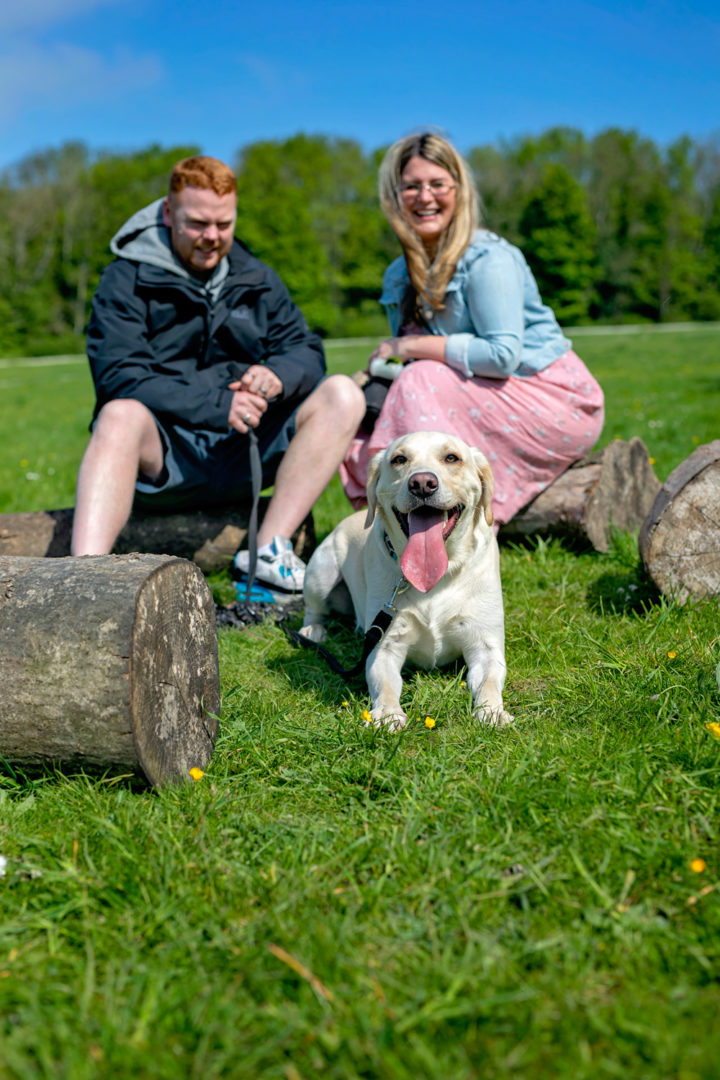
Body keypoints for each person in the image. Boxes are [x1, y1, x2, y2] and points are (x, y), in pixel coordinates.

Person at [72, 155, 365, 591]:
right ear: (169, 212)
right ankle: (85, 579)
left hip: (245, 449)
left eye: (224, 224)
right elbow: (120, 374)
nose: (212, 237)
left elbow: (304, 348)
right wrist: (217, 404)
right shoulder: (125, 278)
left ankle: (268, 551)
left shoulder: (257, 276)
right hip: (169, 455)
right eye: (197, 223)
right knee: (118, 414)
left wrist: (277, 376)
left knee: (343, 393)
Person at [341, 133, 604, 526]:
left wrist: (413, 344)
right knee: (362, 404)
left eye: (437, 184)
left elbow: (501, 356)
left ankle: (463, 521)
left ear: (459, 190)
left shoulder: (487, 259)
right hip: (483, 396)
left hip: (554, 399)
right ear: (394, 197)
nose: (424, 197)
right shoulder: (399, 275)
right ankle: (403, 521)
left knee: (419, 379)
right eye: (411, 186)